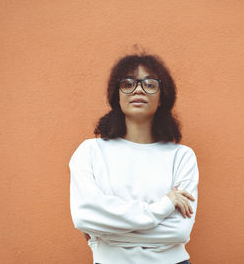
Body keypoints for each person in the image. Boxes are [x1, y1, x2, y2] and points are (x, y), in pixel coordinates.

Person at [69, 53, 199, 264]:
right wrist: (164, 205)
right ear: (117, 96)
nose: (138, 89)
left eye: (149, 83)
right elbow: (84, 216)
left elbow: (179, 231)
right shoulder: (91, 151)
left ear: (161, 98)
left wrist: (106, 231)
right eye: (128, 83)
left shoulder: (181, 156)